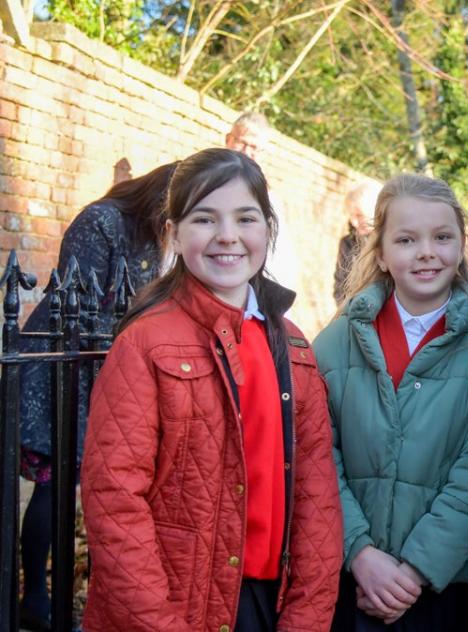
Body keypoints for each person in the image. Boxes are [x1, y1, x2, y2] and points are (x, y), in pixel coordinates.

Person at [79, 148, 343, 631]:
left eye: (245, 218)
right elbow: (114, 500)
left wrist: (305, 618)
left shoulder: (296, 346)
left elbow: (317, 498)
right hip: (174, 605)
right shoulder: (145, 342)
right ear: (174, 234)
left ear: (268, 230)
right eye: (204, 219)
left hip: (269, 606)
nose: (227, 237)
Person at [313, 173, 468, 631]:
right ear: (380, 253)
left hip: (441, 592)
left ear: (462, 245)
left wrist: (413, 572)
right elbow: (317, 458)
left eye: (442, 237)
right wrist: (359, 552)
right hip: (350, 585)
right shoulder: (336, 341)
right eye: (406, 239)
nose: (426, 251)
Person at [16, 161, 176, 630]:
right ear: (160, 197)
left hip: (112, 375)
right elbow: (80, 311)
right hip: (63, 372)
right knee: (55, 482)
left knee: (96, 486)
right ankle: (36, 595)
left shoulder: (158, 236)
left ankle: (69, 592)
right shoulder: (103, 220)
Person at [225, 111, 299, 291]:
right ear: (228, 140)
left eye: (254, 147)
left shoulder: (269, 201)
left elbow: (279, 261)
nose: (246, 152)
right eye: (241, 142)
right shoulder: (198, 182)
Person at [333, 183, 378, 304]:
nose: (354, 222)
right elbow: (339, 287)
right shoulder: (347, 243)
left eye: (359, 215)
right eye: (351, 215)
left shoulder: (393, 244)